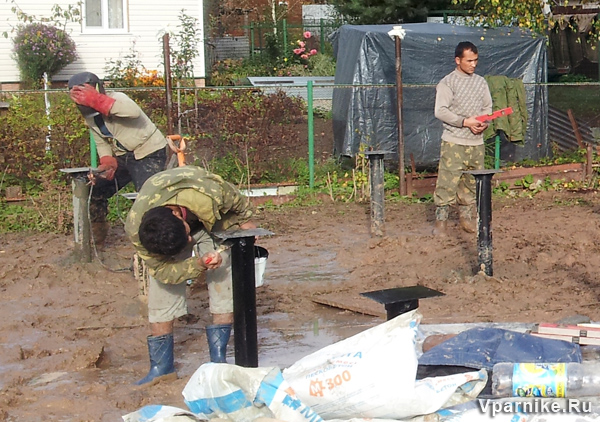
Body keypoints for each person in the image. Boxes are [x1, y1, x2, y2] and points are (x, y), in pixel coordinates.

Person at [124, 165, 256, 386]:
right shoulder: (137, 229)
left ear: (177, 215)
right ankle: (162, 367)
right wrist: (197, 264)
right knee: (161, 288)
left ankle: (218, 362)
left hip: (211, 218)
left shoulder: (211, 195)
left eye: (186, 236)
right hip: (175, 218)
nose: (189, 242)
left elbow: (237, 200)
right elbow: (164, 271)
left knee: (224, 279)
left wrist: (246, 223)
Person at [68, 72, 168, 246]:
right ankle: (97, 238)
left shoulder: (118, 98)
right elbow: (102, 143)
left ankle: (154, 244)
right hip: (123, 156)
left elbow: (133, 112)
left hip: (149, 151)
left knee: (148, 199)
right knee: (94, 189)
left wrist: (97, 100)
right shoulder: (90, 117)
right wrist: (107, 163)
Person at [432, 41, 492, 236]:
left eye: (475, 60)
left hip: (476, 143)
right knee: (447, 181)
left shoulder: (481, 82)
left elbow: (487, 108)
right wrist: (465, 122)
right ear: (458, 60)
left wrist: (484, 123)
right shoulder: (447, 83)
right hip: (454, 141)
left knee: (470, 182)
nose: (473, 64)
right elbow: (440, 111)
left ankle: (466, 219)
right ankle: (441, 222)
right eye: (469, 61)